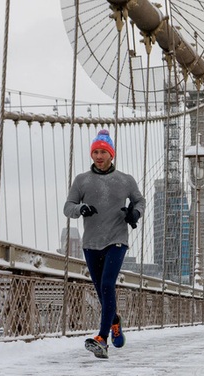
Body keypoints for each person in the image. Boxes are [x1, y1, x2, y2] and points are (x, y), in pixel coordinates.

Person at [63, 129, 146, 359]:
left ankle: (102, 338)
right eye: (95, 152)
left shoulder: (125, 180)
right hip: (91, 243)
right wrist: (81, 209)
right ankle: (115, 320)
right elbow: (67, 207)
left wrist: (135, 214)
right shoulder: (82, 181)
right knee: (101, 290)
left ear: (112, 155)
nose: (99, 156)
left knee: (108, 284)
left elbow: (140, 200)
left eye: (103, 152)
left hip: (117, 240)